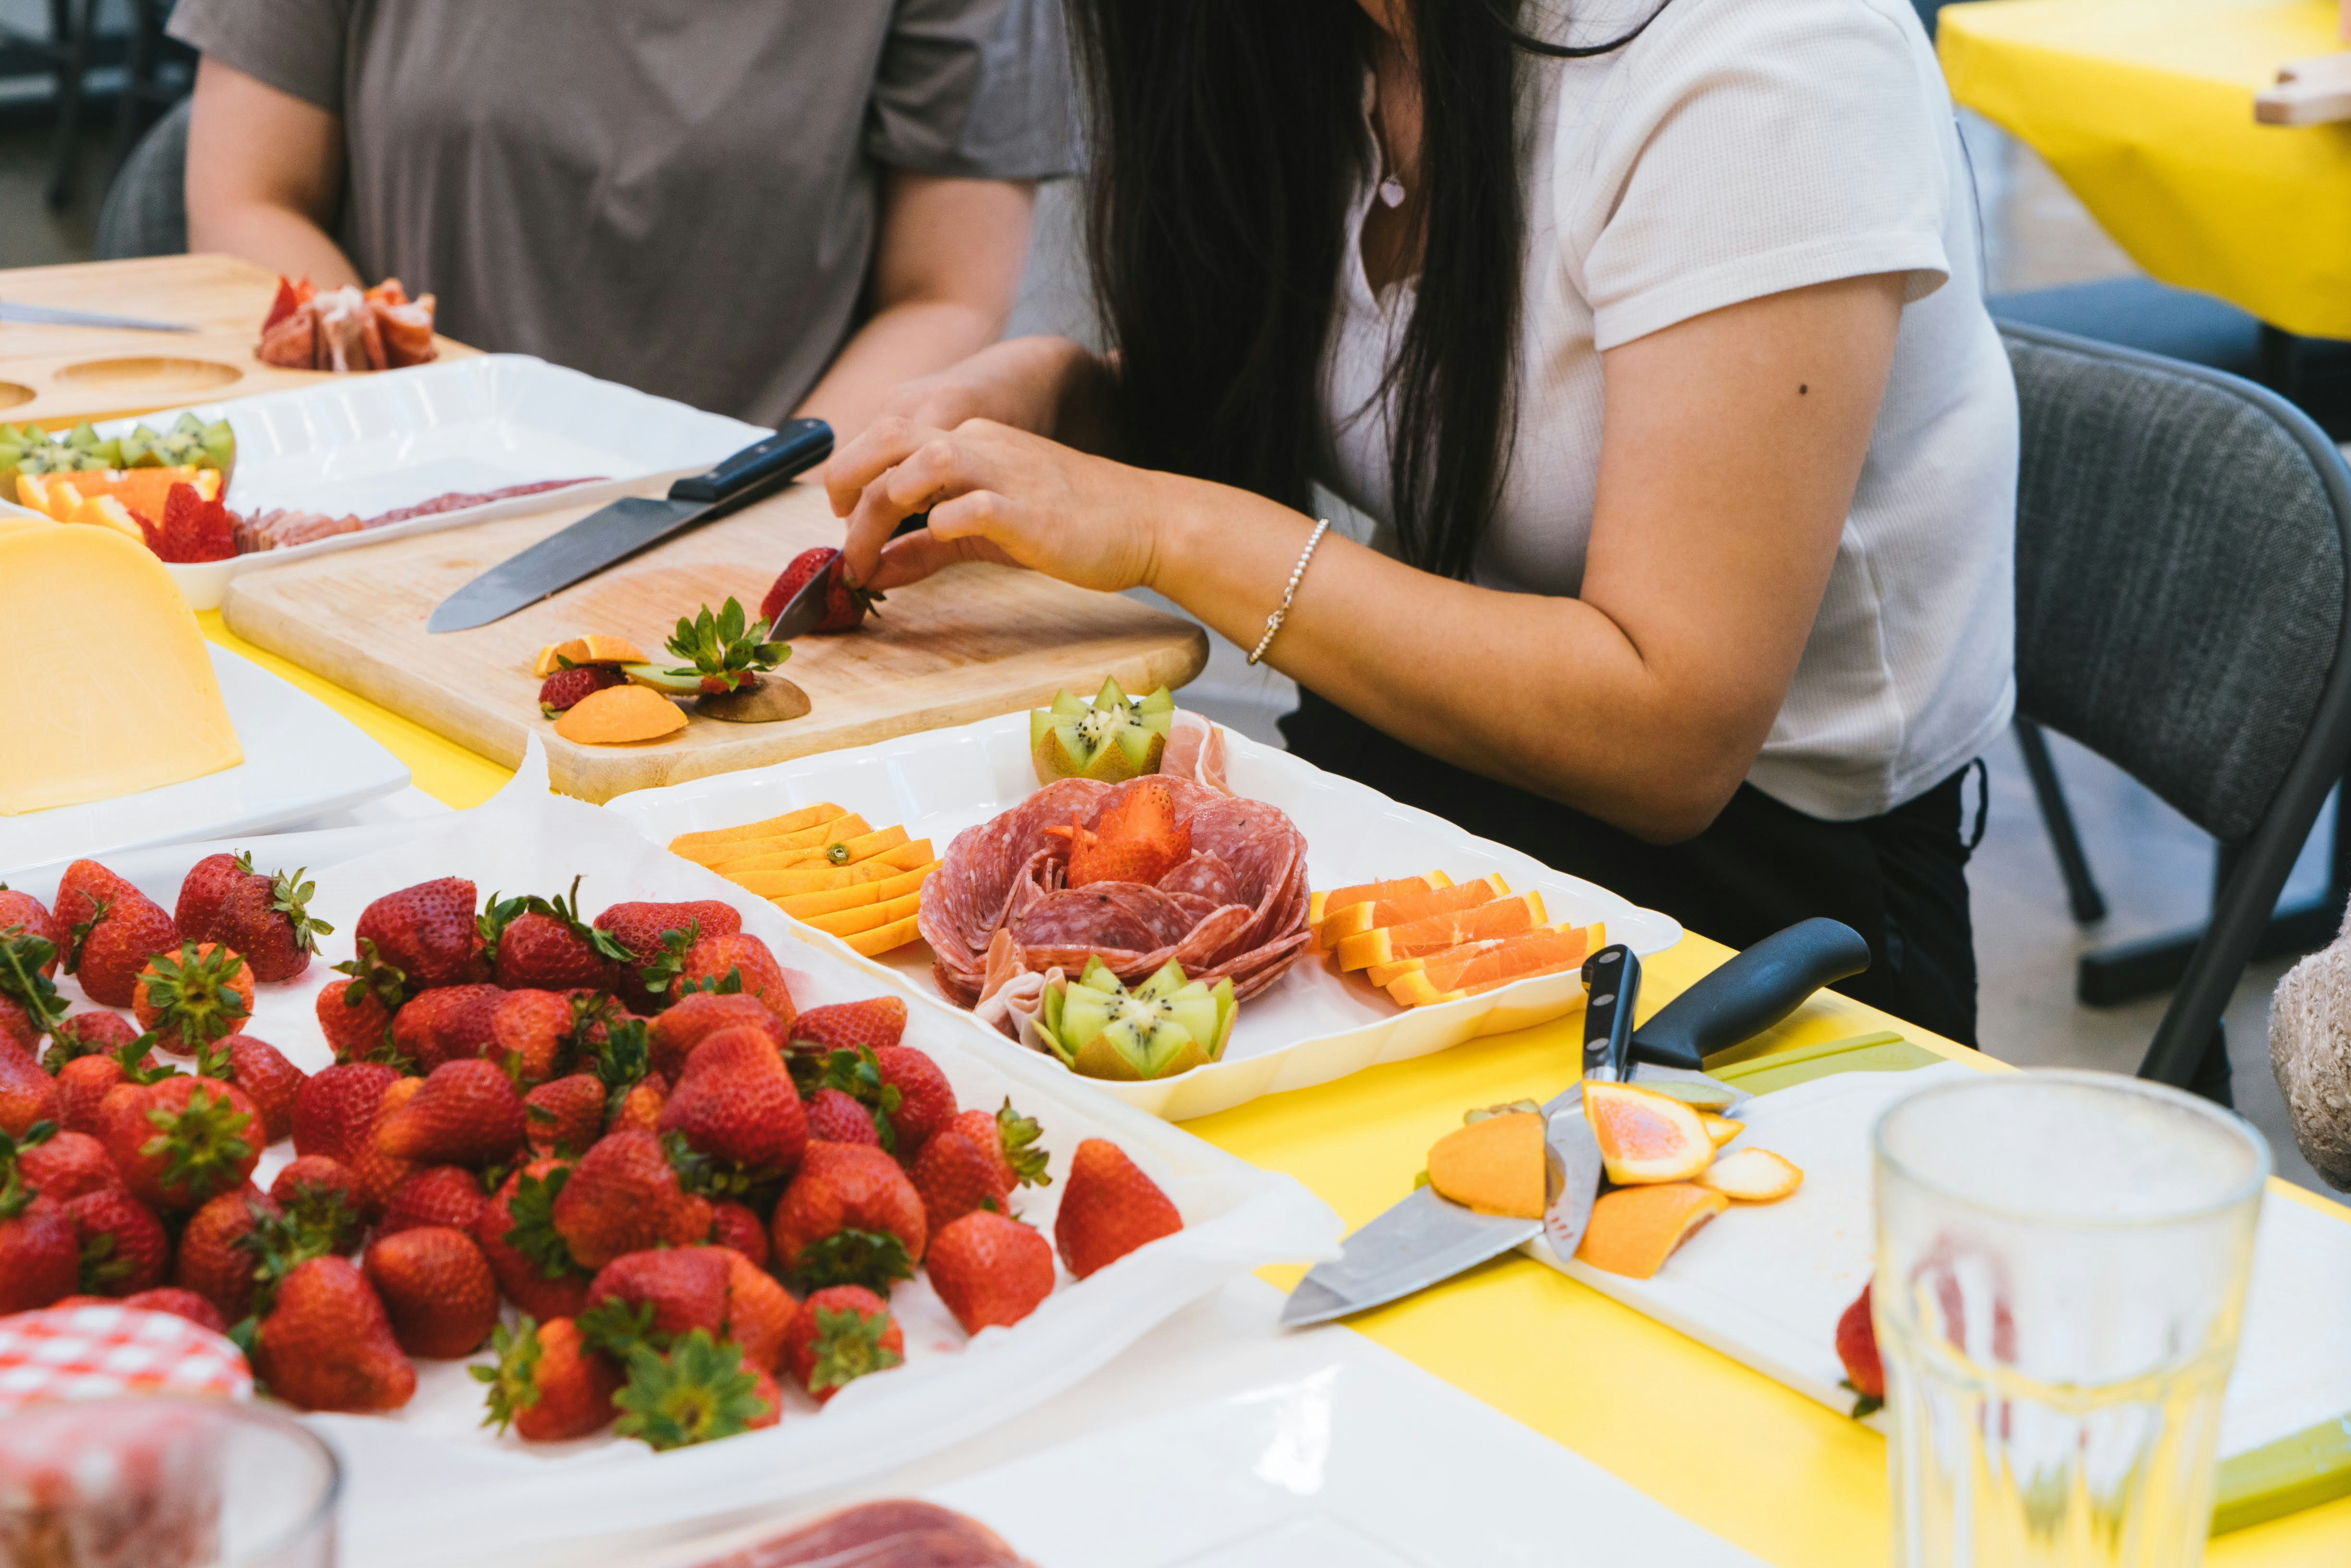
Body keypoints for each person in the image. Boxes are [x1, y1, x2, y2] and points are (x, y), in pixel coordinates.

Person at [821, 0, 2018, 1044]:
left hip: (1761, 906)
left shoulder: (1770, 60)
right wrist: (1072, 395)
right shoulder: (1330, 38)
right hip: (1420, 789)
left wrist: (1162, 526)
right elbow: (1367, 393)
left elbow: (1671, 735)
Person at [169, 1, 1076, 432]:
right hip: (393, 455)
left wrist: (756, 492)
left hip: (743, 512)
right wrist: (422, 433)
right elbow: (250, 195)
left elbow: (947, 294)